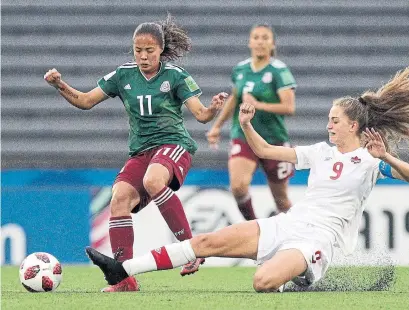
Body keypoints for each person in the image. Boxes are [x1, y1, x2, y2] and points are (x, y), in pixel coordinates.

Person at [85, 67, 409, 293]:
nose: (329, 126)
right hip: (287, 224)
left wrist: (388, 157)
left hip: (317, 241)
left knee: (262, 282)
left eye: (335, 121)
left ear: (353, 125)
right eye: (328, 120)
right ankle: (122, 269)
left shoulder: (370, 160)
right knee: (206, 243)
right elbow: (266, 149)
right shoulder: (320, 152)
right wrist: (247, 125)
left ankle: (294, 276)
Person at [44, 14, 228, 292]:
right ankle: (124, 279)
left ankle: (191, 249)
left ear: (161, 50)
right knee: (118, 200)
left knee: (153, 181)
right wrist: (60, 85)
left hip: (174, 145)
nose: (143, 56)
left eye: (149, 51)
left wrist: (213, 108)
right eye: (138, 50)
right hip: (141, 152)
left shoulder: (175, 76)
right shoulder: (122, 75)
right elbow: (85, 101)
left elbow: (201, 115)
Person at [206, 24, 296, 220]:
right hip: (244, 134)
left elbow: (289, 107)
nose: (260, 41)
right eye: (256, 37)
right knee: (238, 187)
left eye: (265, 38)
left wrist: (258, 105)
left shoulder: (279, 71)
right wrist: (217, 126)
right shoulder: (241, 69)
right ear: (250, 42)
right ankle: (255, 229)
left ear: (272, 43)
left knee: (281, 201)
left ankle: (296, 235)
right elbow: (234, 98)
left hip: (273, 139)